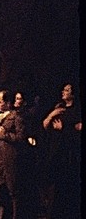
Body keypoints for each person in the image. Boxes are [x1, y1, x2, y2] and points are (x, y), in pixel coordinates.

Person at [42, 83, 81, 219]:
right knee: (52, 184)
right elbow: (45, 125)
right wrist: (52, 114)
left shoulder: (76, 111)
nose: (63, 92)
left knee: (64, 185)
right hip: (54, 150)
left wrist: (63, 128)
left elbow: (77, 130)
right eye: (63, 89)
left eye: (67, 90)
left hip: (68, 153)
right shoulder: (59, 108)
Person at [0, 90, 24, 219]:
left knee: (13, 189)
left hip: (10, 158)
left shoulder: (16, 117)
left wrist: (5, 135)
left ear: (8, 103)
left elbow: (21, 137)